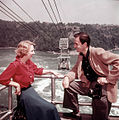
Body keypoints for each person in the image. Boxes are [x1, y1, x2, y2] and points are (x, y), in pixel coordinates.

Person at [62, 32, 119, 120]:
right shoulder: (81, 55)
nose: (74, 46)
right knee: (69, 86)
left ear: (85, 44)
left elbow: (118, 60)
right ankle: (75, 112)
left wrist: (108, 79)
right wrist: (67, 77)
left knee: (98, 117)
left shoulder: (97, 52)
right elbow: (75, 70)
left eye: (76, 44)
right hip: (88, 85)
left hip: (101, 88)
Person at [0, 40, 60, 120]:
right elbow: (2, 79)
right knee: (50, 108)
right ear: (25, 52)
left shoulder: (28, 62)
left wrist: (50, 71)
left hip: (30, 90)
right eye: (32, 51)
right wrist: (16, 84)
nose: (34, 53)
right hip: (24, 95)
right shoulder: (15, 65)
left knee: (49, 108)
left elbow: (37, 70)